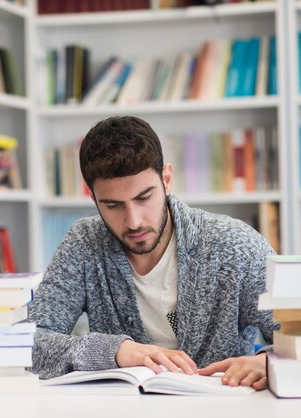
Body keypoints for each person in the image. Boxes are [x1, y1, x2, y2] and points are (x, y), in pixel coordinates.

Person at [29, 116, 278, 390]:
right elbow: (28, 344)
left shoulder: (236, 246)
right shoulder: (83, 245)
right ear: (93, 198)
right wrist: (116, 351)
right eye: (113, 205)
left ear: (167, 179)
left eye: (144, 198)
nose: (133, 221)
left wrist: (266, 361)